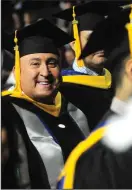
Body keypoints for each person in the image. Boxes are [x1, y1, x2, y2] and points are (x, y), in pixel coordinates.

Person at [57, 3, 132, 189]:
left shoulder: (114, 80)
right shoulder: (64, 88)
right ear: (74, 44)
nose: (101, 45)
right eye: (92, 38)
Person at [2, 18, 90, 189]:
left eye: (52, 63)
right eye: (35, 64)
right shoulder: (6, 114)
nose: (45, 72)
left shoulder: (79, 106)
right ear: (17, 72)